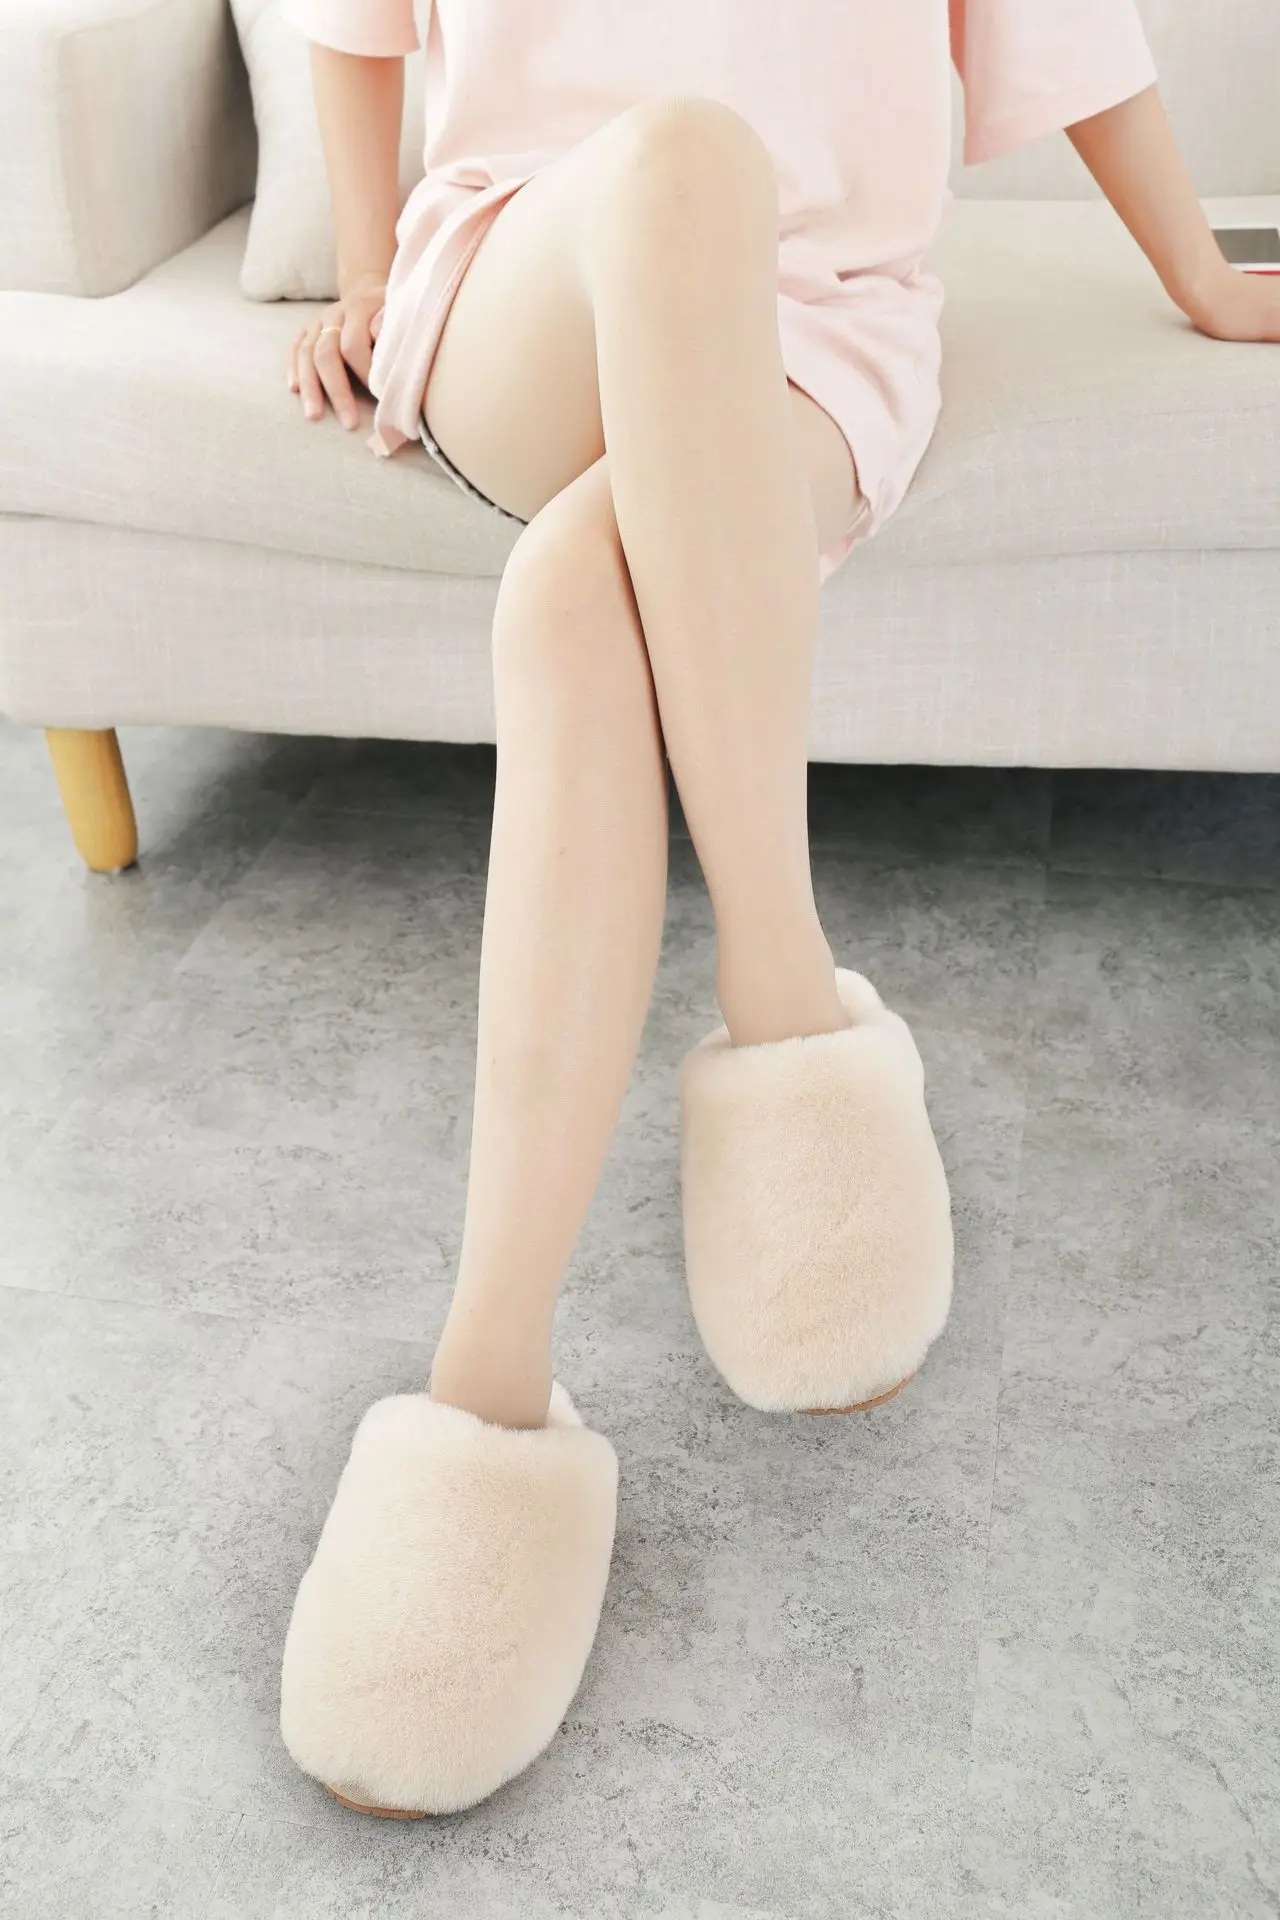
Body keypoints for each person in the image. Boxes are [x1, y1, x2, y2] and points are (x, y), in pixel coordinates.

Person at [275, 0, 1280, 1820]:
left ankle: (484, 1385)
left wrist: (1203, 274)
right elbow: (357, 18)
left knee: (575, 600)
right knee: (683, 156)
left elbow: (1062, 25)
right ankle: (785, 992)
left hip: (815, 331)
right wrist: (358, 270)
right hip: (524, 272)